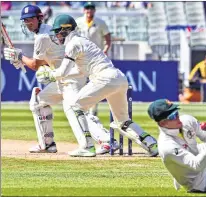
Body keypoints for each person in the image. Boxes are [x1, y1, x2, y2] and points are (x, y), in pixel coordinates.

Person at [3, 5, 119, 156]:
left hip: (71, 77)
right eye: (25, 20)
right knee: (39, 101)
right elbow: (47, 60)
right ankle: (47, 143)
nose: (27, 23)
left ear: (39, 18)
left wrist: (19, 56)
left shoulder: (42, 37)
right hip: (63, 78)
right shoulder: (46, 30)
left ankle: (107, 140)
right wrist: (21, 59)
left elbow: (35, 65)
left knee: (74, 109)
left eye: (30, 19)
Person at [36, 14, 159, 157]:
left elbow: (63, 71)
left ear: (65, 30)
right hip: (118, 78)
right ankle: (151, 144)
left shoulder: (73, 44)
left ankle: (87, 146)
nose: (56, 36)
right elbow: (80, 71)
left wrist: (51, 74)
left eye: (57, 31)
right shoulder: (82, 42)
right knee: (122, 121)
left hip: (103, 78)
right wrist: (55, 73)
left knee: (74, 106)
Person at [76, 2, 112, 116]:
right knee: (81, 83)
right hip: (81, 57)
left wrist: (105, 50)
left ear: (94, 10)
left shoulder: (101, 22)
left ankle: (93, 109)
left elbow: (108, 38)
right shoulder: (78, 22)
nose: (89, 11)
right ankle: (81, 107)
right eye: (87, 8)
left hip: (97, 58)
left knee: (96, 83)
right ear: (84, 10)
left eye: (91, 8)